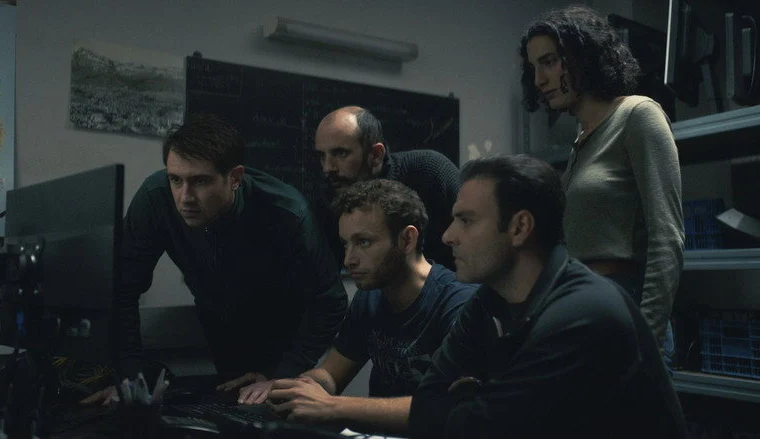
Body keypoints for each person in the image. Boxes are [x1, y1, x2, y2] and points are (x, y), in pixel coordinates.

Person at [408, 154, 687, 438]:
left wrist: (466, 396)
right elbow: (423, 408)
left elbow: (488, 429)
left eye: (466, 220)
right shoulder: (489, 300)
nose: (448, 236)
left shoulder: (584, 312)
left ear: (520, 228)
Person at [82, 114, 347, 405]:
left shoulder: (287, 212)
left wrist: (283, 375)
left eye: (200, 181)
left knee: (273, 410)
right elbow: (122, 289)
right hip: (221, 327)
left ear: (234, 178)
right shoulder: (156, 197)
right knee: (227, 410)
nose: (185, 197)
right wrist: (130, 383)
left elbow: (329, 301)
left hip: (286, 335)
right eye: (176, 179)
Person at [519, 5, 684, 364]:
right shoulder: (581, 139)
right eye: (534, 67)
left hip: (626, 309)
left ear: (583, 56)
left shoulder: (638, 115)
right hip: (583, 311)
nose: (540, 79)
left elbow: (667, 239)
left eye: (549, 62)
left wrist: (646, 340)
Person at [264, 179, 476, 435]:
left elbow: (449, 409)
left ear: (407, 239)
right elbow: (330, 375)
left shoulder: (459, 304)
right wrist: (294, 389)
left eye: (363, 242)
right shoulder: (371, 297)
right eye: (345, 244)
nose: (348, 260)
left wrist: (332, 406)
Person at [313, 106, 460, 270]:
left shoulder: (430, 173)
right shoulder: (331, 199)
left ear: (376, 155)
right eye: (322, 156)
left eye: (341, 153)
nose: (327, 167)